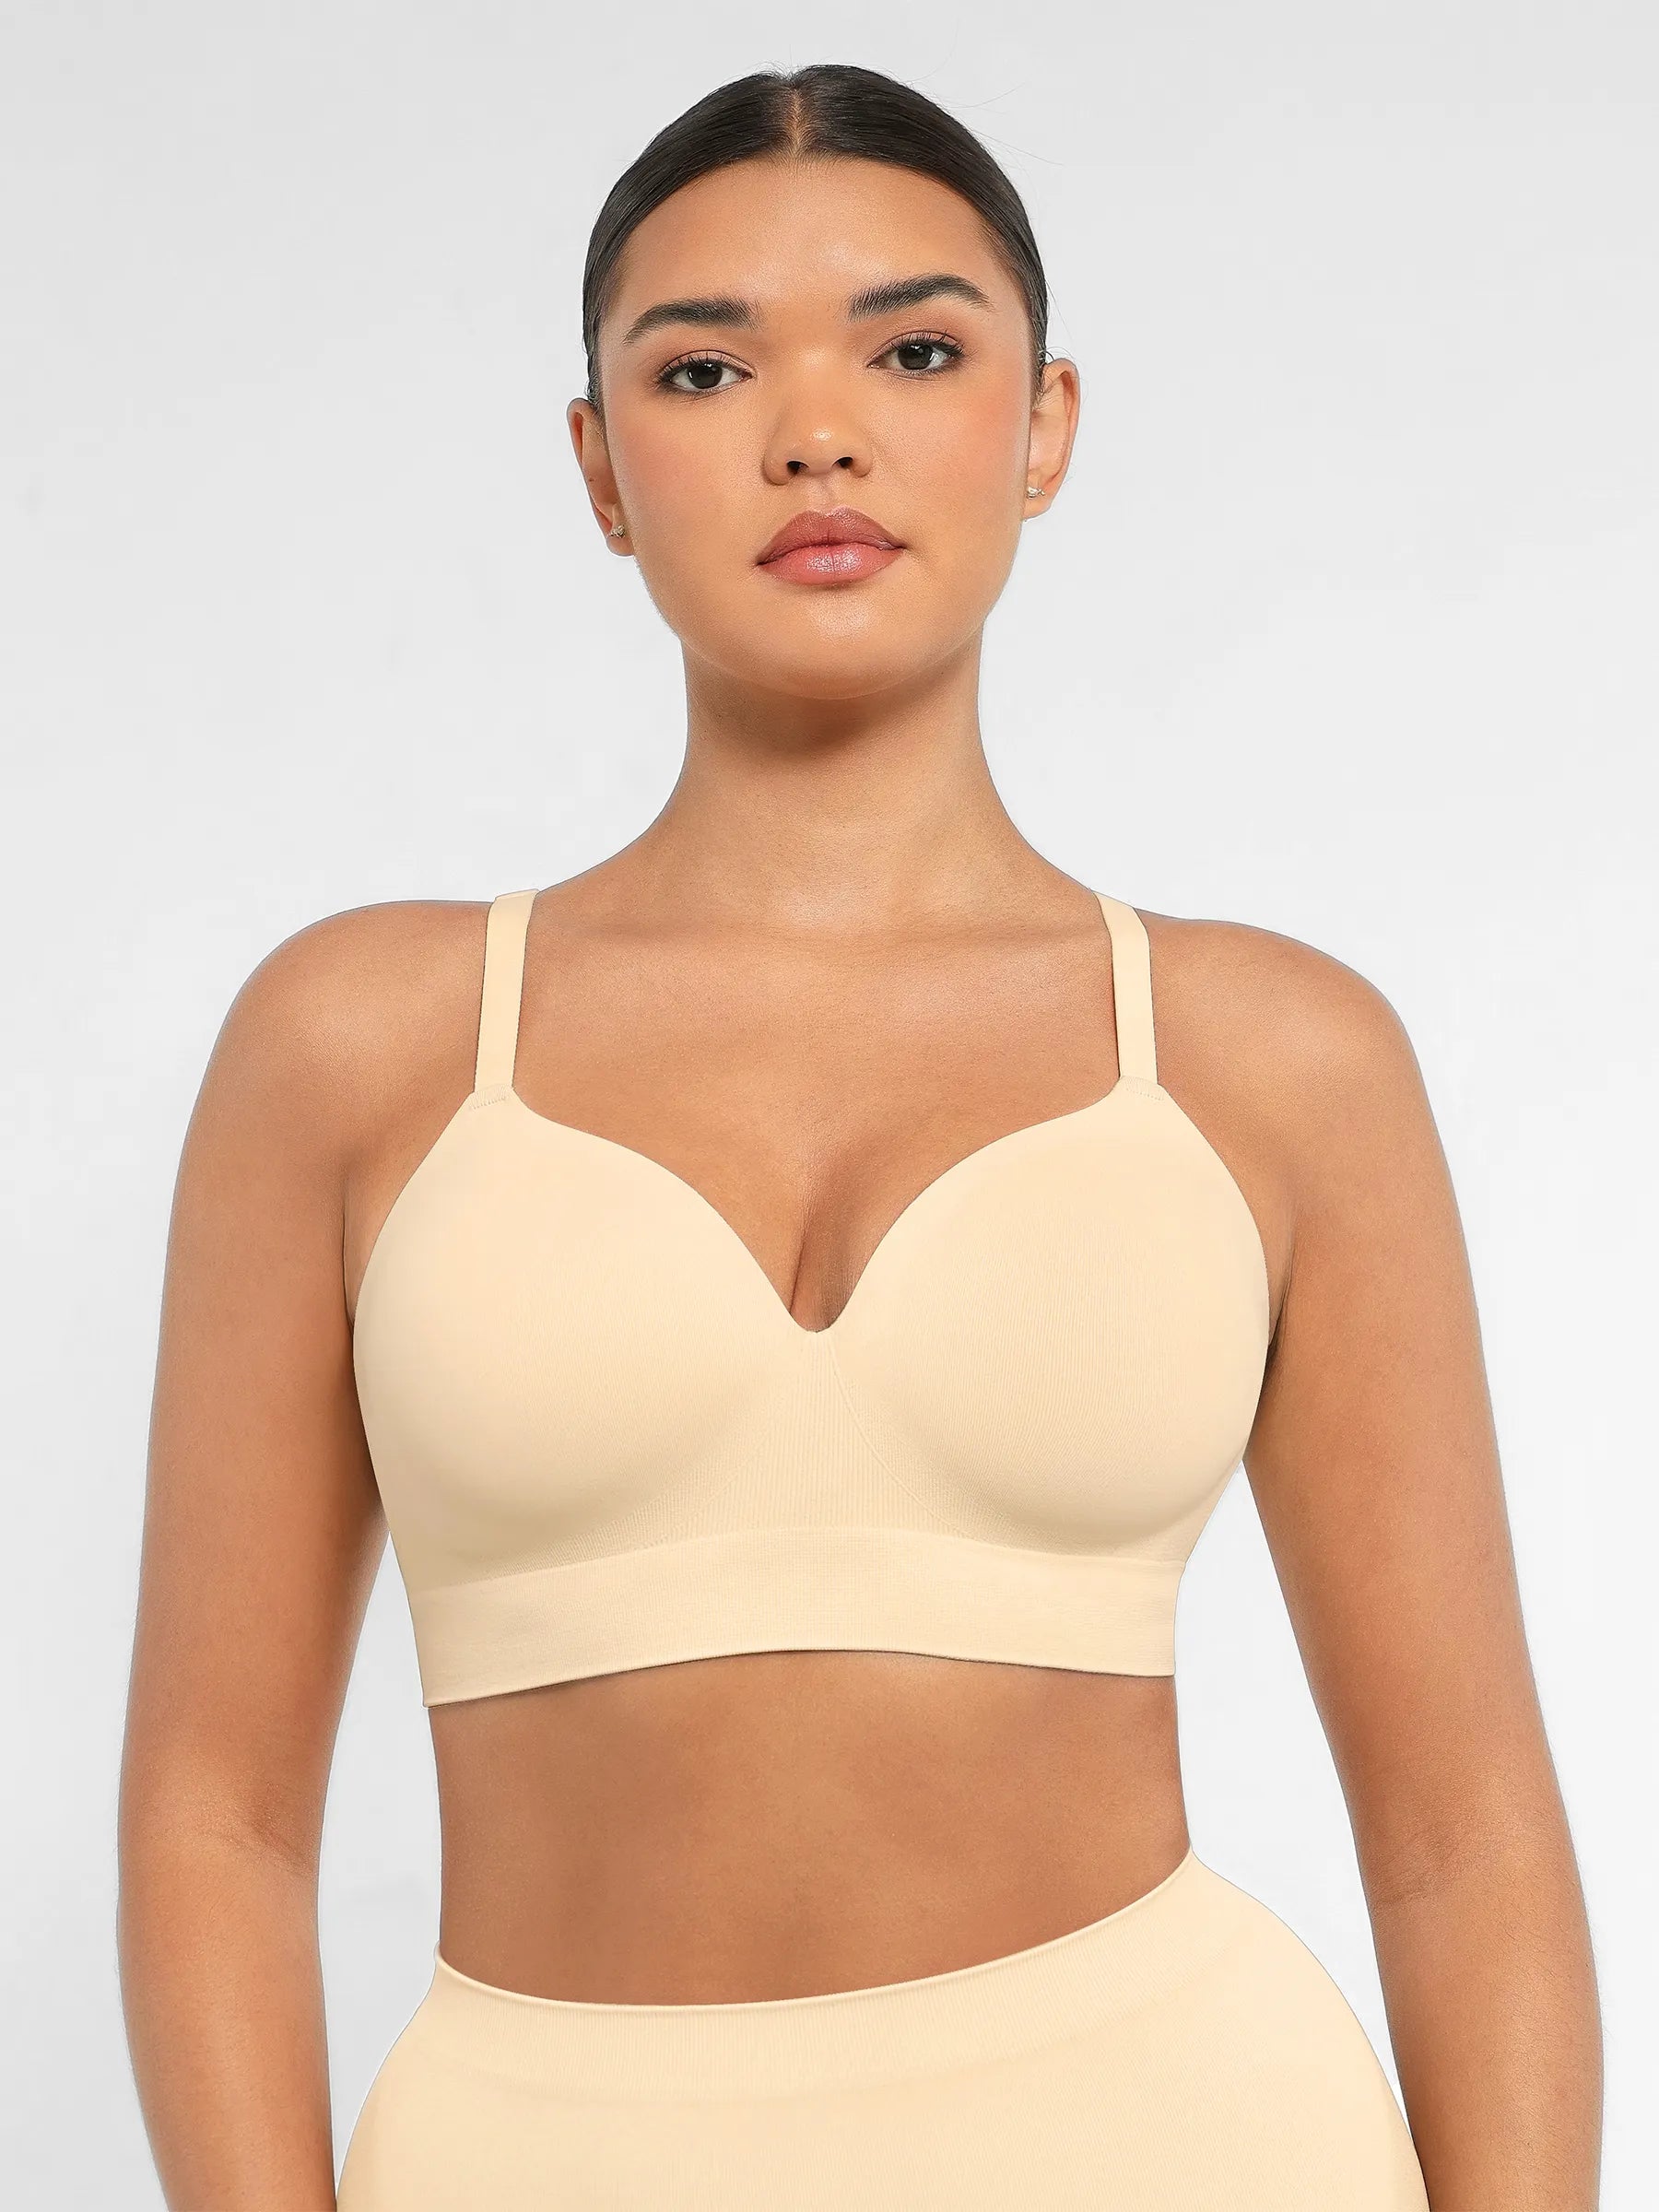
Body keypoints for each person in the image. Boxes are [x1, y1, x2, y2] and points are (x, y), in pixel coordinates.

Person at [118, 61, 1602, 2211]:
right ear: (599, 467)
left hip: (1194, 2142)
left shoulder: (1276, 1063)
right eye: (704, 368)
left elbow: (1467, 1835)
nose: (815, 433)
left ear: (1045, 424)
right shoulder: (359, 1048)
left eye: (914, 352)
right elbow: (215, 1821)